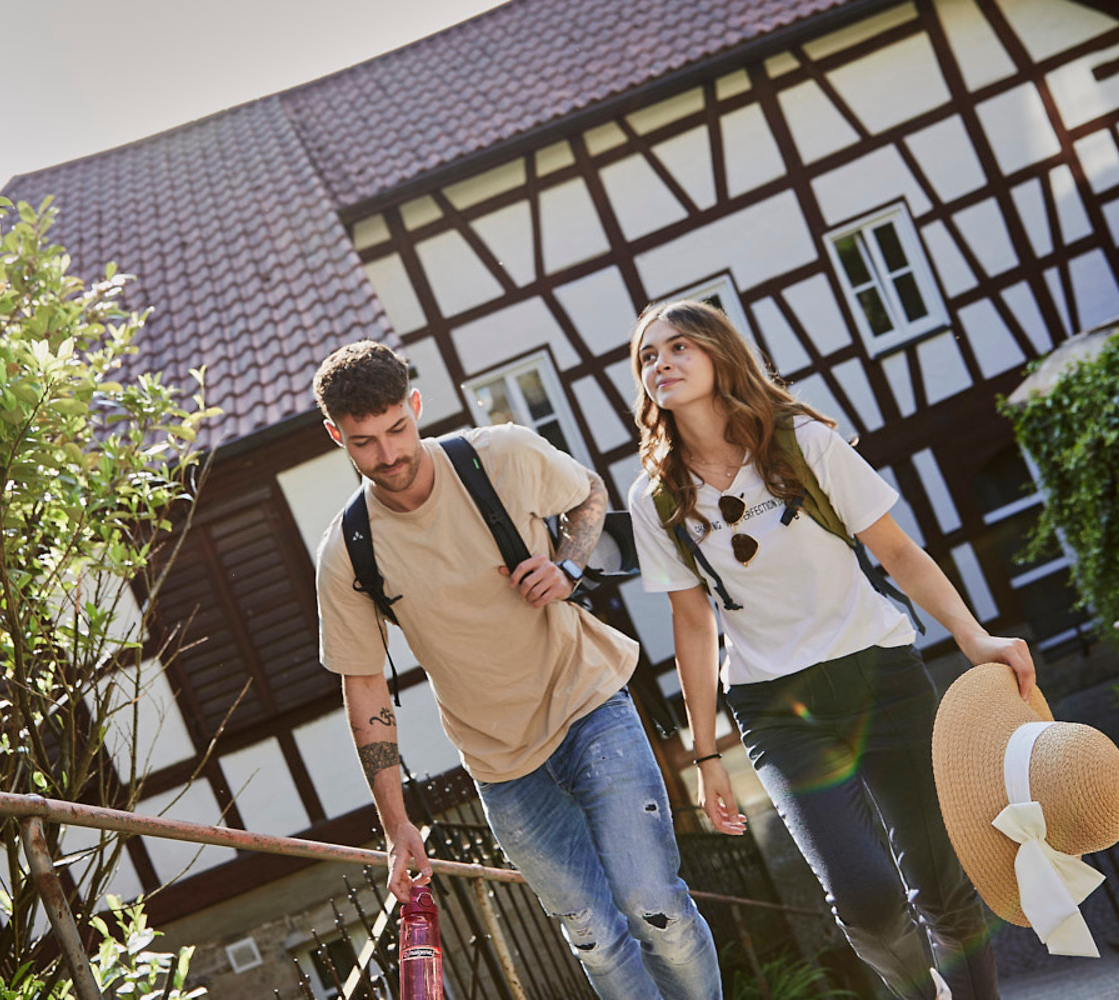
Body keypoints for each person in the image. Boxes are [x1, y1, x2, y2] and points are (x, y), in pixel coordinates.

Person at [624, 300, 1036, 1000]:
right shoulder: (656, 496)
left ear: (720, 356)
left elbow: (899, 553)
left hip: (882, 675)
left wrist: (973, 635)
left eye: (677, 348)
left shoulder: (803, 443)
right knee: (866, 897)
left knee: (944, 887)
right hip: (778, 710)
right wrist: (705, 756)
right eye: (646, 356)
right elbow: (691, 624)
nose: (658, 363)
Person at [313, 340, 722, 1000]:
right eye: (364, 443)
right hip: (502, 766)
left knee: (655, 907)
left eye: (397, 429)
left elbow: (587, 493)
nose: (388, 455)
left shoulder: (498, 455)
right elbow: (364, 688)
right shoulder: (348, 552)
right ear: (337, 435)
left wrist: (568, 564)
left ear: (416, 406)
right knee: (592, 931)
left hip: (589, 703)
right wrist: (397, 828)